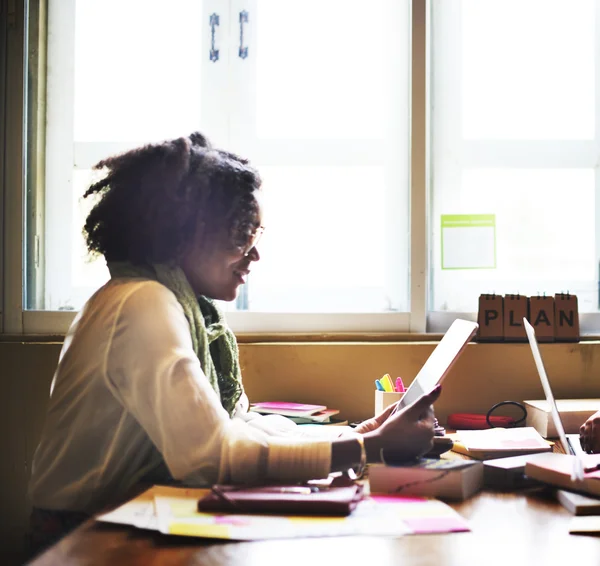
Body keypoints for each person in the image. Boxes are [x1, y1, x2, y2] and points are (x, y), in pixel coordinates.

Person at [27, 132, 440, 554]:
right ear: (182, 232)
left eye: (256, 233)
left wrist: (355, 436)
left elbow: (236, 425)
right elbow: (211, 456)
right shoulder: (142, 303)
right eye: (242, 233)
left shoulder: (176, 303)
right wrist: (367, 448)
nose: (254, 253)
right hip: (85, 539)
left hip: (123, 517)